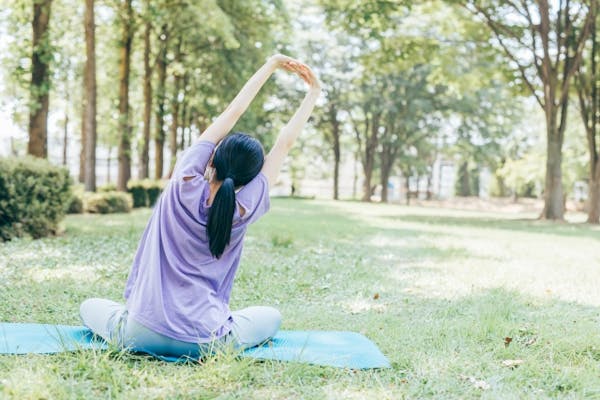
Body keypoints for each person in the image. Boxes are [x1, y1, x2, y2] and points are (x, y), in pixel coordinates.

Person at [79, 54, 321, 359]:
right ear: (250, 180)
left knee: (88, 306)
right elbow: (284, 144)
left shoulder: (184, 180)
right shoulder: (244, 208)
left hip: (138, 333)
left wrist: (271, 64)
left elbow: (233, 112)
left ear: (211, 159)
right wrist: (313, 92)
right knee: (269, 316)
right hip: (207, 342)